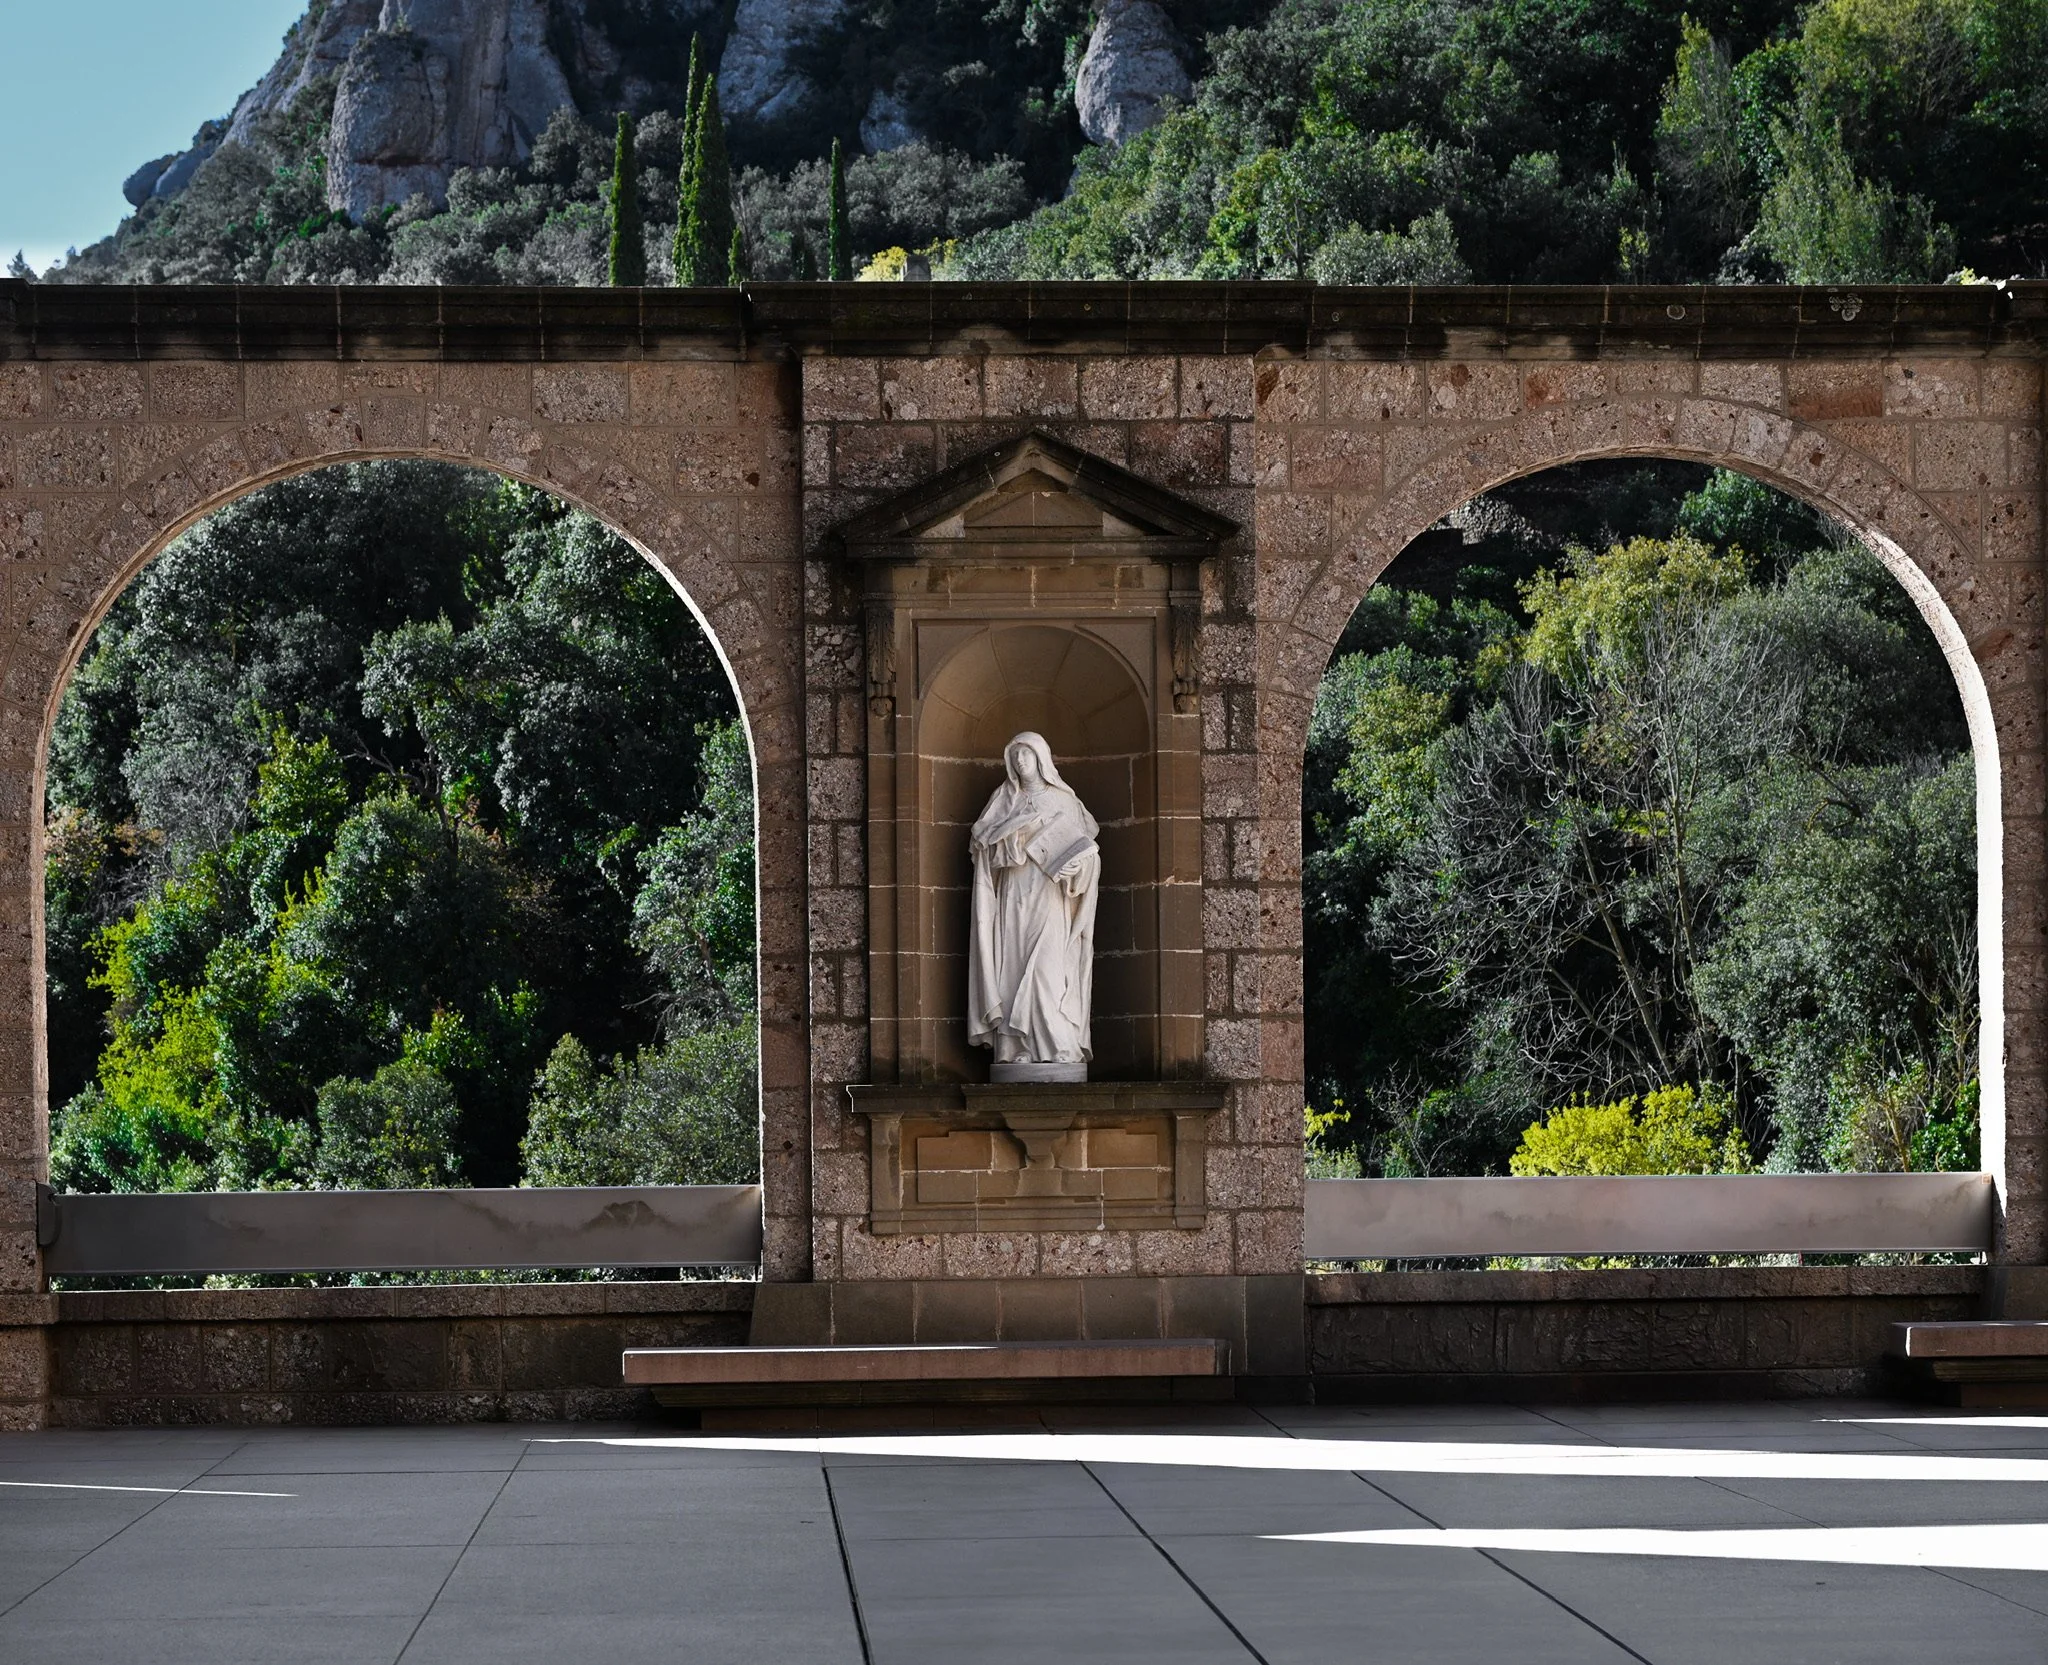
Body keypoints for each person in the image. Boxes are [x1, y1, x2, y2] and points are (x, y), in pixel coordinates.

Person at [967, 732, 1101, 1080]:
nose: (1020, 761)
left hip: (1051, 895)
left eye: (1026, 754)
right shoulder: (1004, 799)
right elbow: (982, 847)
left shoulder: (1063, 801)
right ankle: (1016, 1049)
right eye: (1014, 756)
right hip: (1013, 896)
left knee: (1048, 968)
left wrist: (1077, 868)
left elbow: (1087, 851)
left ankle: (1058, 1045)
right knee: (1012, 968)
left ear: (1041, 758)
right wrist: (1008, 837)